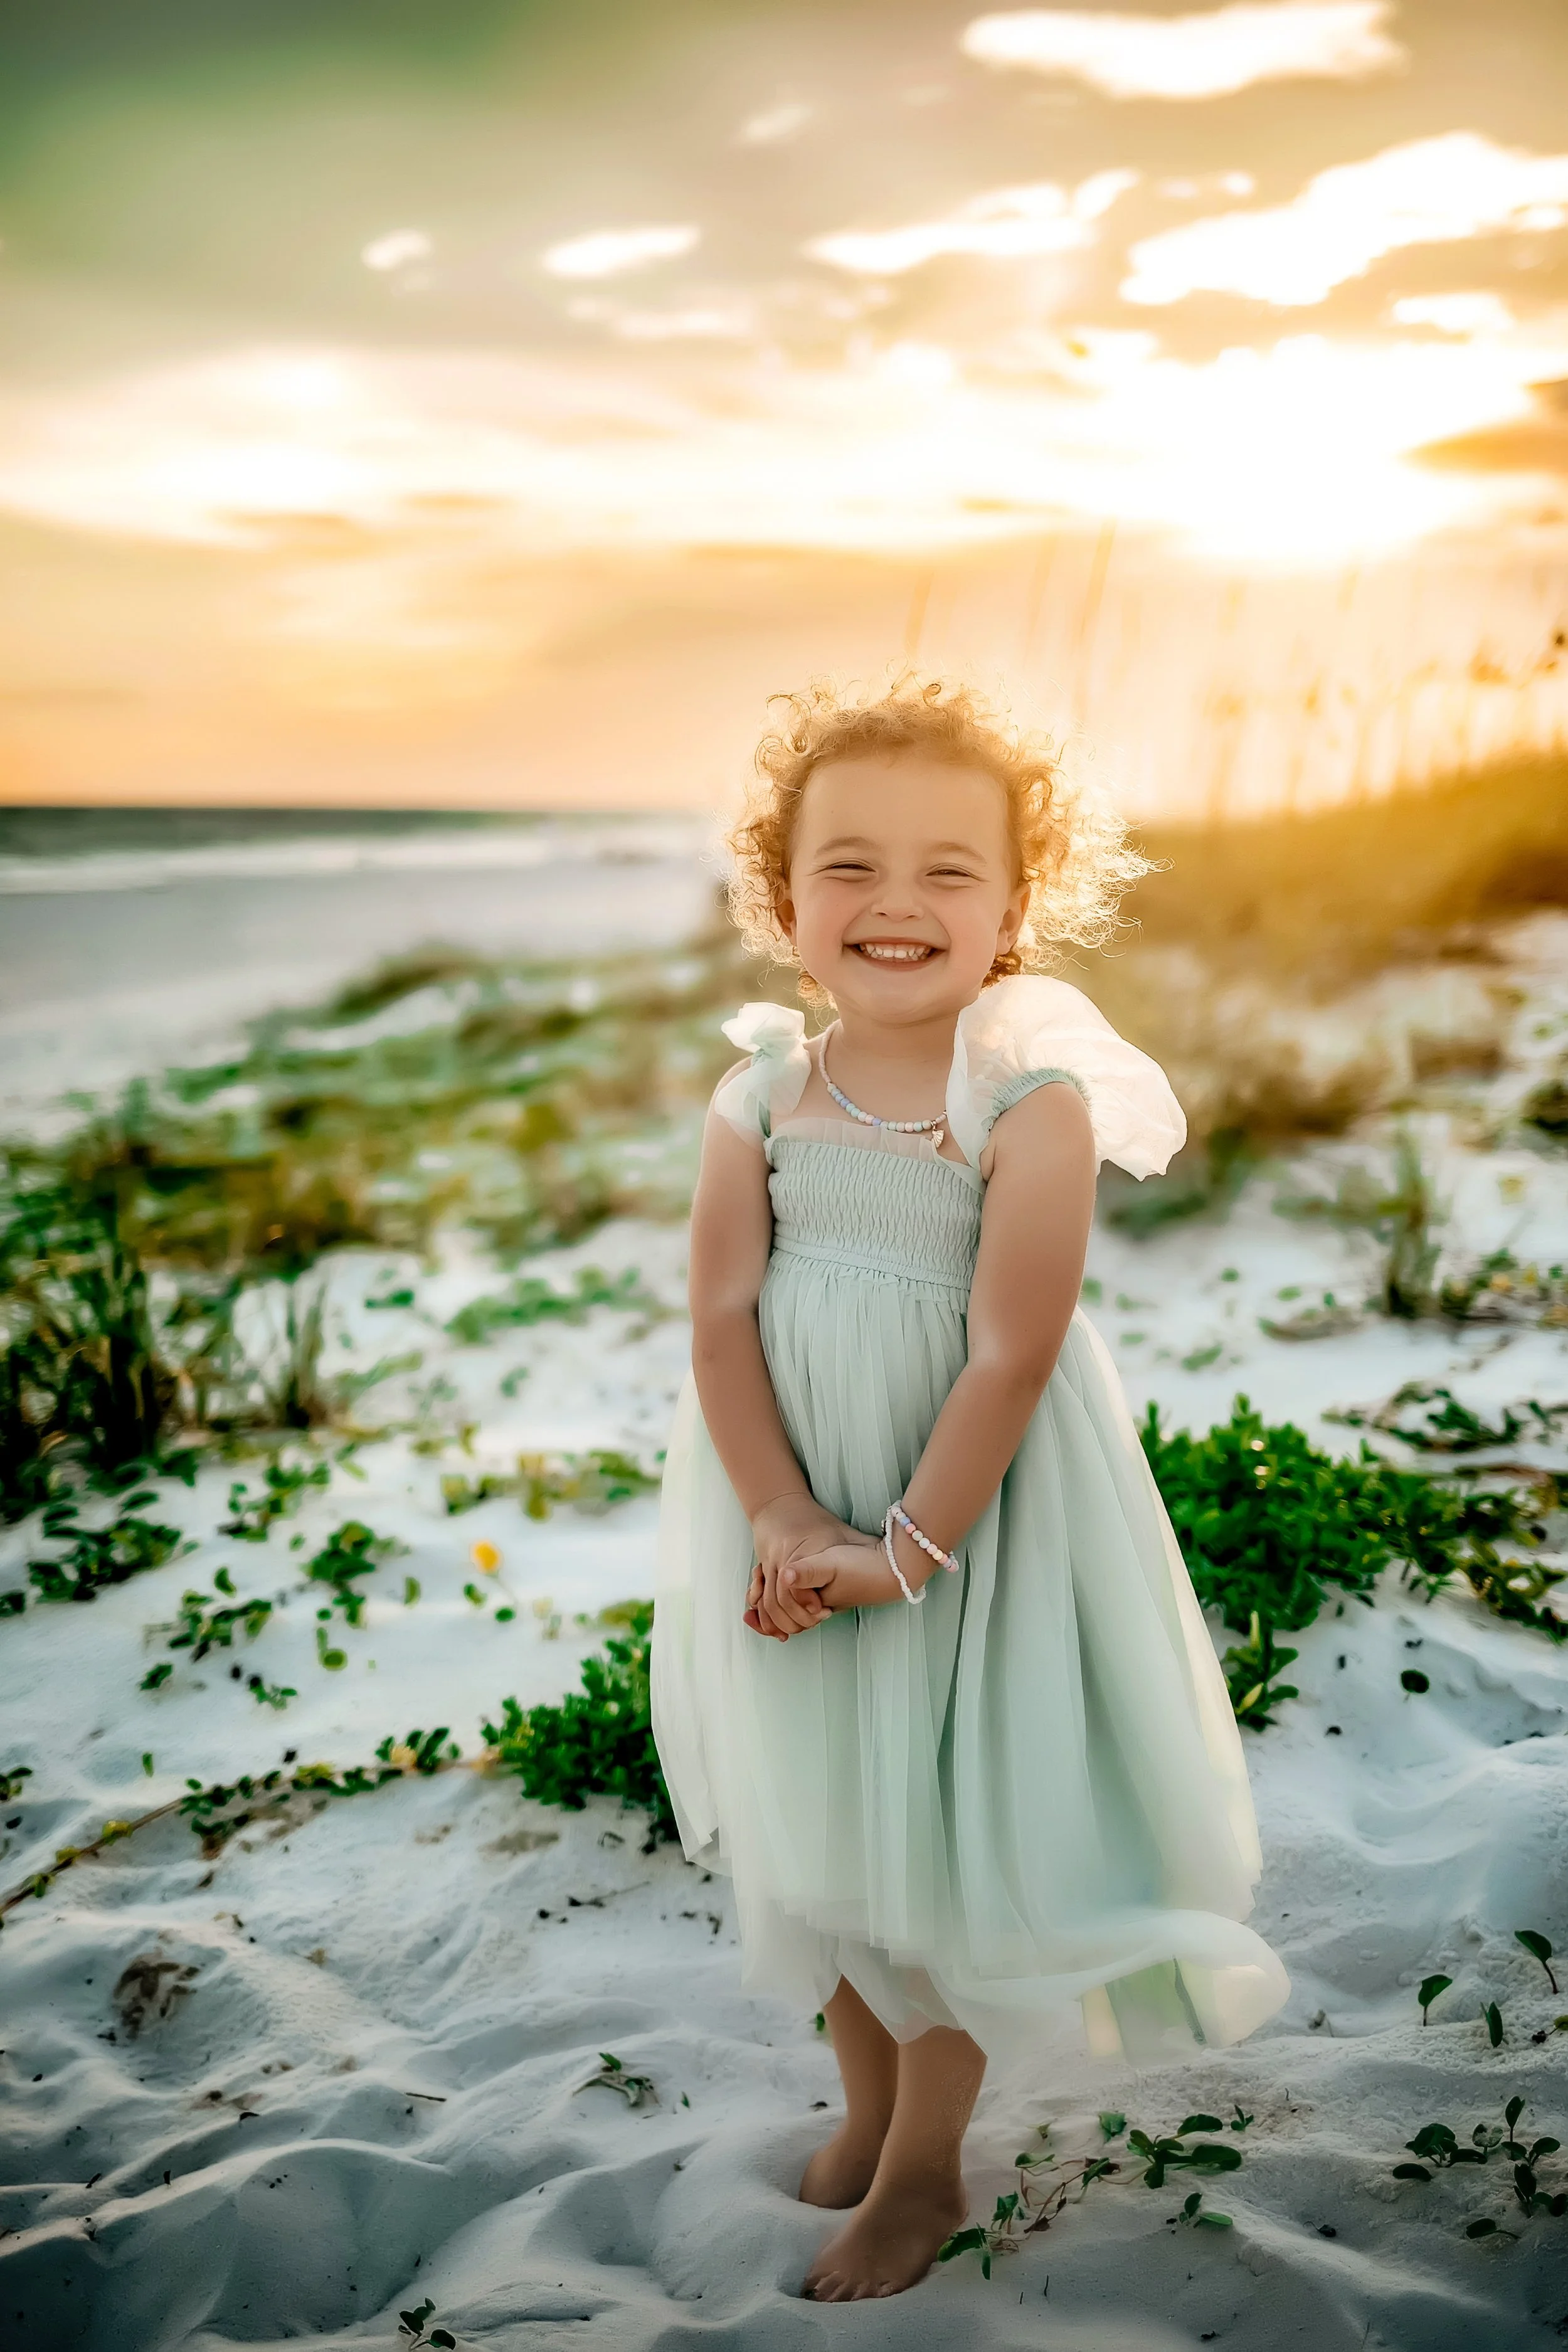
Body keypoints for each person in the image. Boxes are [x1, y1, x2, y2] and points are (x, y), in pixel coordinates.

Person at [650, 674, 1289, 2302]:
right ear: (778, 892)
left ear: (1019, 903)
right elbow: (718, 1319)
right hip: (785, 1490)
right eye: (847, 863)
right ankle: (863, 2104)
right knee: (818, 1825)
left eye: (950, 868)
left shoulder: (1026, 1099)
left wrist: (906, 1546)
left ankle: (925, 2160)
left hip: (965, 1514)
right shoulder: (754, 1095)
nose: (894, 902)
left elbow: (1011, 1348)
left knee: (926, 1826)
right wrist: (788, 1517)